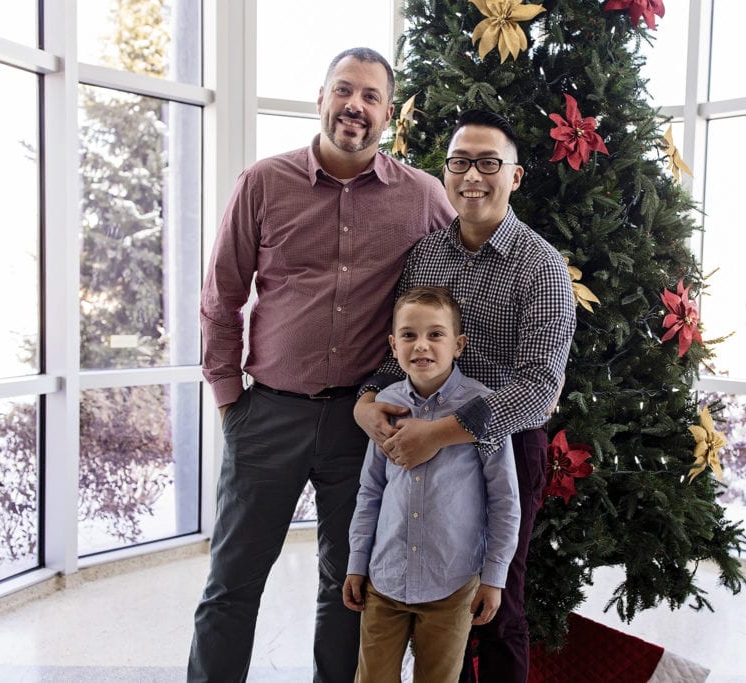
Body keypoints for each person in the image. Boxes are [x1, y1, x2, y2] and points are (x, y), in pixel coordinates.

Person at [189, 47, 454, 683]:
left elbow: (462, 277)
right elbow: (220, 298)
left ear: (388, 115)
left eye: (370, 97)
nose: (354, 107)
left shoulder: (421, 197)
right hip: (267, 415)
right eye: (344, 91)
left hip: (360, 423)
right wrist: (231, 401)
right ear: (321, 98)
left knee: (347, 587)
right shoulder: (262, 182)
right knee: (231, 584)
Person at [354, 110, 576, 683]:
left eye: (487, 163)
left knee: (497, 604)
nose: (471, 175)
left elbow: (539, 389)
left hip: (501, 445)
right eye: (459, 162)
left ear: (515, 176)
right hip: (412, 434)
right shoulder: (427, 256)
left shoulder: (542, 267)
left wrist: (440, 433)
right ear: (446, 172)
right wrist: (366, 399)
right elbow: (399, 348)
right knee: (405, 587)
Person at [343, 286, 521, 682]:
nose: (421, 345)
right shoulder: (384, 406)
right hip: (384, 581)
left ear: (458, 345)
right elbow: (370, 491)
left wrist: (494, 577)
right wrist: (357, 563)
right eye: (409, 335)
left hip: (451, 584)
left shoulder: (481, 407)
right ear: (393, 345)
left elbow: (504, 500)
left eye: (435, 334)